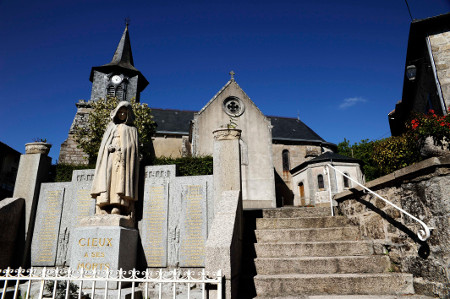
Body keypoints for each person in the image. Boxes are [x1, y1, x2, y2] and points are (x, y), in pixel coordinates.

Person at [91, 101, 139, 217]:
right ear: (116, 113)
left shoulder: (132, 129)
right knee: (107, 178)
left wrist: (124, 148)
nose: (122, 115)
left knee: (119, 181)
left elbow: (133, 148)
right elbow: (104, 145)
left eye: (124, 113)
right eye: (120, 112)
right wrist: (109, 147)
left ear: (128, 114)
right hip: (110, 157)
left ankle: (117, 206)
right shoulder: (111, 127)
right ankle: (103, 204)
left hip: (122, 158)